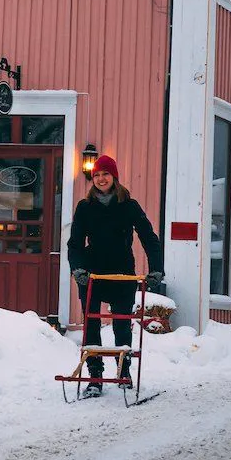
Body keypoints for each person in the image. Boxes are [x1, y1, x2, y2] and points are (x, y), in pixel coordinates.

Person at [67, 156, 163, 397]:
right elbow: (75, 243)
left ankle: (123, 371)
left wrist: (156, 269)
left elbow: (149, 238)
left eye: (105, 174)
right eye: (97, 175)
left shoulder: (129, 206)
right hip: (92, 274)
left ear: (114, 177)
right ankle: (95, 376)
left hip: (122, 273)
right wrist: (77, 268)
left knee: (122, 322)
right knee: (92, 322)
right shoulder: (85, 207)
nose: (101, 179)